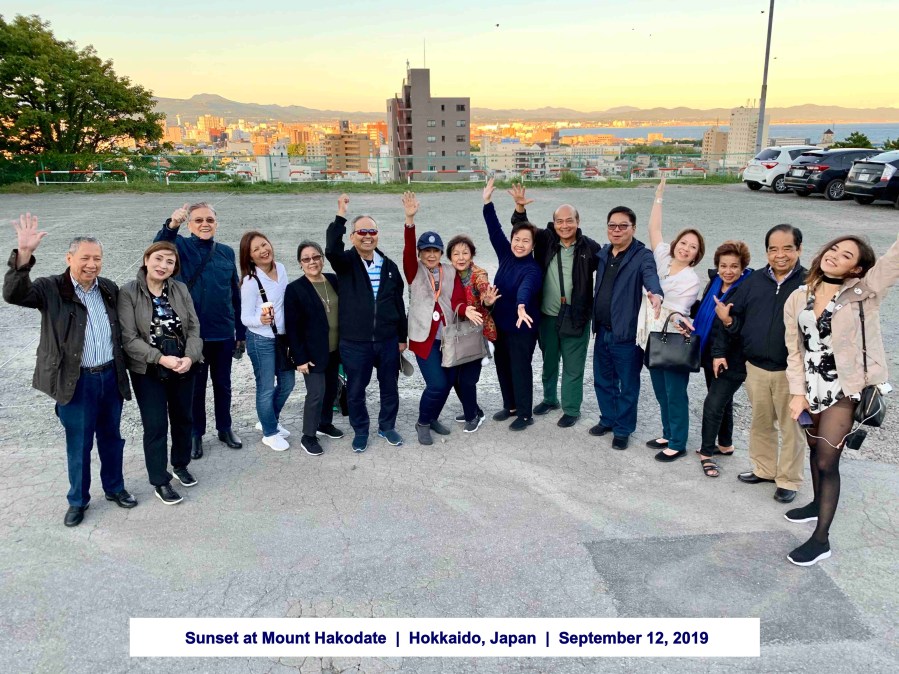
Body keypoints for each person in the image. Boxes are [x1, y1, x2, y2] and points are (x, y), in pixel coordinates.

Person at [4, 214, 136, 527]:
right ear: (69, 258)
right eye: (85, 258)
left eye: (97, 258)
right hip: (76, 382)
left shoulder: (108, 288)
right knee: (79, 444)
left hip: (110, 377)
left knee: (112, 438)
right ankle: (78, 500)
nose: (92, 264)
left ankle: (115, 488)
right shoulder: (51, 288)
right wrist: (23, 257)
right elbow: (14, 294)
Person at [783, 233, 898, 566]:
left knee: (826, 461)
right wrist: (797, 393)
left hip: (844, 390)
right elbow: (794, 350)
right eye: (833, 249)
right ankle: (815, 504)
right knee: (814, 448)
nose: (834, 255)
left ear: (857, 268)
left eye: (846, 255)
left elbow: (893, 261)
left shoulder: (865, 293)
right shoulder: (799, 296)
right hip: (810, 388)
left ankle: (821, 540)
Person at [714, 224, 806, 503]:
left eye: (787, 248)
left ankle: (788, 480)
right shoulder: (753, 281)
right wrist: (722, 342)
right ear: (766, 252)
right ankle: (764, 469)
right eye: (773, 249)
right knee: (761, 423)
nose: (780, 255)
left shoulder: (809, 283)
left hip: (791, 372)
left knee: (792, 429)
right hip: (755, 368)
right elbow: (730, 315)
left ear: (799, 249)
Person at [155, 203, 245, 458]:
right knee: (196, 388)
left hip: (223, 331)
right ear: (189, 224)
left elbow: (234, 295)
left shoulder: (226, 252)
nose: (205, 224)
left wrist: (240, 333)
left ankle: (225, 428)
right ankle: (196, 433)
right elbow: (159, 248)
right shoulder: (180, 247)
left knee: (223, 385)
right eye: (198, 220)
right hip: (192, 336)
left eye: (209, 220)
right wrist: (172, 224)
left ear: (216, 223)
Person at [508, 184, 601, 428]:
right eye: (559, 221)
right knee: (549, 361)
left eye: (569, 220)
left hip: (577, 316)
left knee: (573, 365)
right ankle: (550, 399)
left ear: (578, 221)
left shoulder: (590, 248)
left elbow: (611, 267)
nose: (564, 225)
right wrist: (519, 207)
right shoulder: (545, 240)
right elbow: (522, 229)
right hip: (547, 316)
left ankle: (571, 408)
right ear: (554, 223)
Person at [118, 242, 203, 505]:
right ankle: (160, 481)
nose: (163, 265)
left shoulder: (180, 289)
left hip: (182, 365)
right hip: (149, 370)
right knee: (155, 426)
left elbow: (194, 328)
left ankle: (180, 464)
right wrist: (160, 358)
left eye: (169, 261)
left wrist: (190, 357)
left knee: (183, 418)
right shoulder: (128, 292)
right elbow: (129, 338)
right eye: (158, 258)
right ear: (146, 259)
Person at [326, 194, 408, 452]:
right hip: (355, 342)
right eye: (361, 231)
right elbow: (331, 250)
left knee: (389, 387)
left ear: (378, 235)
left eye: (372, 231)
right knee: (356, 391)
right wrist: (341, 216)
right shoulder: (346, 263)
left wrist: (402, 337)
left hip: (387, 341)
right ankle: (361, 431)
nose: (367, 236)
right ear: (353, 237)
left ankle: (387, 427)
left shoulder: (389, 267)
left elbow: (398, 303)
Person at [590, 199, 664, 450]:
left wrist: (656, 293)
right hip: (602, 330)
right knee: (603, 380)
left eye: (623, 226)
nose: (617, 230)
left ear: (633, 228)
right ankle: (608, 419)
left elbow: (650, 275)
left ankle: (622, 429)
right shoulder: (603, 254)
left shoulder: (642, 256)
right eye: (612, 225)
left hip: (626, 334)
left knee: (628, 385)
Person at [639, 177, 703, 462]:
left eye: (692, 247)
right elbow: (654, 229)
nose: (685, 248)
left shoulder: (691, 279)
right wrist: (659, 196)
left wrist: (658, 299)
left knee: (675, 392)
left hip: (673, 338)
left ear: (696, 255)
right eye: (684, 243)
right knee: (660, 390)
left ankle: (678, 442)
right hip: (652, 335)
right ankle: (668, 433)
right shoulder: (663, 255)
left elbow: (678, 310)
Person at [401, 191, 472, 445]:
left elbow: (458, 300)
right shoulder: (414, 270)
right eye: (426, 251)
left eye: (435, 251)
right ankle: (422, 422)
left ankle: (432, 418)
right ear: (420, 253)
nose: (431, 255)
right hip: (424, 338)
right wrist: (410, 220)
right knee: (437, 384)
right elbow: (407, 251)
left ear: (442, 252)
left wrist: (466, 310)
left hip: (448, 338)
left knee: (449, 381)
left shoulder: (450, 271)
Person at [684, 241, 752, 478]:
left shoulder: (746, 290)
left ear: (743, 267)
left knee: (713, 404)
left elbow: (744, 328)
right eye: (724, 265)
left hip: (732, 358)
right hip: (709, 352)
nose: (728, 271)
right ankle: (725, 444)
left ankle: (706, 453)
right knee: (723, 400)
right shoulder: (715, 283)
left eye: (734, 266)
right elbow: (705, 311)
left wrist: (727, 320)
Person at [481, 178, 543, 431]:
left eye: (526, 241)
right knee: (503, 366)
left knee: (520, 368)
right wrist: (487, 202)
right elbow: (494, 229)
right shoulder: (506, 254)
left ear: (533, 245)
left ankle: (525, 414)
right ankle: (511, 406)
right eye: (517, 239)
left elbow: (527, 288)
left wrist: (521, 305)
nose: (520, 244)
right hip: (501, 325)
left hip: (522, 328)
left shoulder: (533, 268)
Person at [284, 240, 345, 456]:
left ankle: (324, 424)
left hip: (335, 349)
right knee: (316, 393)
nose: (312, 262)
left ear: (322, 258)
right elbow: (293, 328)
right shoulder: (295, 289)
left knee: (331, 390)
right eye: (306, 259)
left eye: (316, 257)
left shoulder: (333, 280)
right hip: (312, 353)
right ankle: (308, 436)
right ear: (300, 263)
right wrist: (299, 358)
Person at [239, 231, 296, 452]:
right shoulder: (250, 281)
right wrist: (260, 320)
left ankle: (268, 420)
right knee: (265, 388)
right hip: (260, 340)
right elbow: (245, 318)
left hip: (282, 338)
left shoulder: (281, 268)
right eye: (256, 249)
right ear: (250, 257)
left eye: (264, 244)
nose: (263, 250)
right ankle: (270, 433)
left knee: (288, 383)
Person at [446, 234, 499, 432]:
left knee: (467, 379)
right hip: (458, 334)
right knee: (455, 378)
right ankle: (475, 410)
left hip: (478, 334)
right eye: (456, 253)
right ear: (450, 257)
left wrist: (487, 300)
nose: (461, 258)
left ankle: (472, 416)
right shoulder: (449, 274)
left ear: (472, 255)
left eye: (465, 253)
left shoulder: (478, 274)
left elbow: (484, 289)